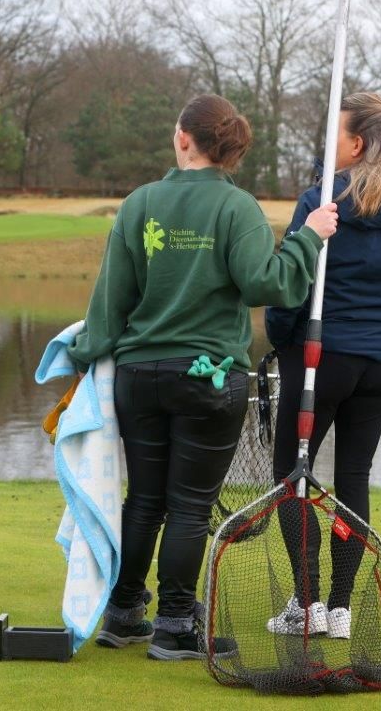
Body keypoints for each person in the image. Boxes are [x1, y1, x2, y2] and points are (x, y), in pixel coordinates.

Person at [66, 93, 340, 660]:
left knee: (145, 499)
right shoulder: (238, 208)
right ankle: (173, 624)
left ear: (183, 138)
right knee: (189, 506)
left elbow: (110, 298)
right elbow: (268, 284)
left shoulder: (140, 202)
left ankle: (124, 613)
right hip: (208, 379)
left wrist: (84, 354)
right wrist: (309, 237)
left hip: (139, 376)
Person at [263, 92, 381, 639]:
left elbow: (291, 281)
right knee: (354, 476)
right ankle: (339, 609)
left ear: (356, 144)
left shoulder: (320, 201)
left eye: (336, 133)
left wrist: (279, 339)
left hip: (323, 356)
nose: (327, 142)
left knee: (292, 476)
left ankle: (308, 604)